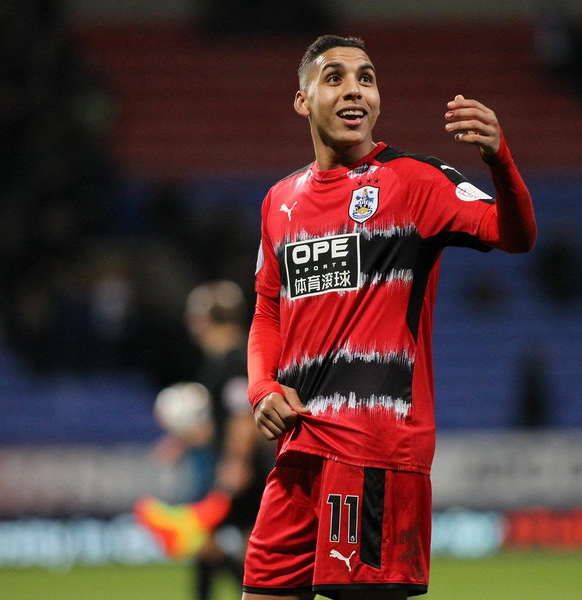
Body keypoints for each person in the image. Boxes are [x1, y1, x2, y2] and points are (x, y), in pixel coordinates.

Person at [244, 35, 537, 600]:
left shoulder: (417, 182)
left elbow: (514, 234)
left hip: (374, 449)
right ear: (303, 101)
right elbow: (266, 309)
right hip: (300, 449)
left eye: (367, 78)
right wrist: (261, 389)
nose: (355, 90)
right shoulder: (279, 201)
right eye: (335, 78)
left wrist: (500, 159)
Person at [135, 280, 272, 600]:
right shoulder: (221, 360)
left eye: (193, 316)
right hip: (237, 464)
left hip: (243, 468)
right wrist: (181, 442)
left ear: (206, 319)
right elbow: (222, 420)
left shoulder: (237, 358)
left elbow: (242, 417)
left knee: (214, 540)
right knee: (227, 544)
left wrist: (235, 463)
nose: (189, 323)